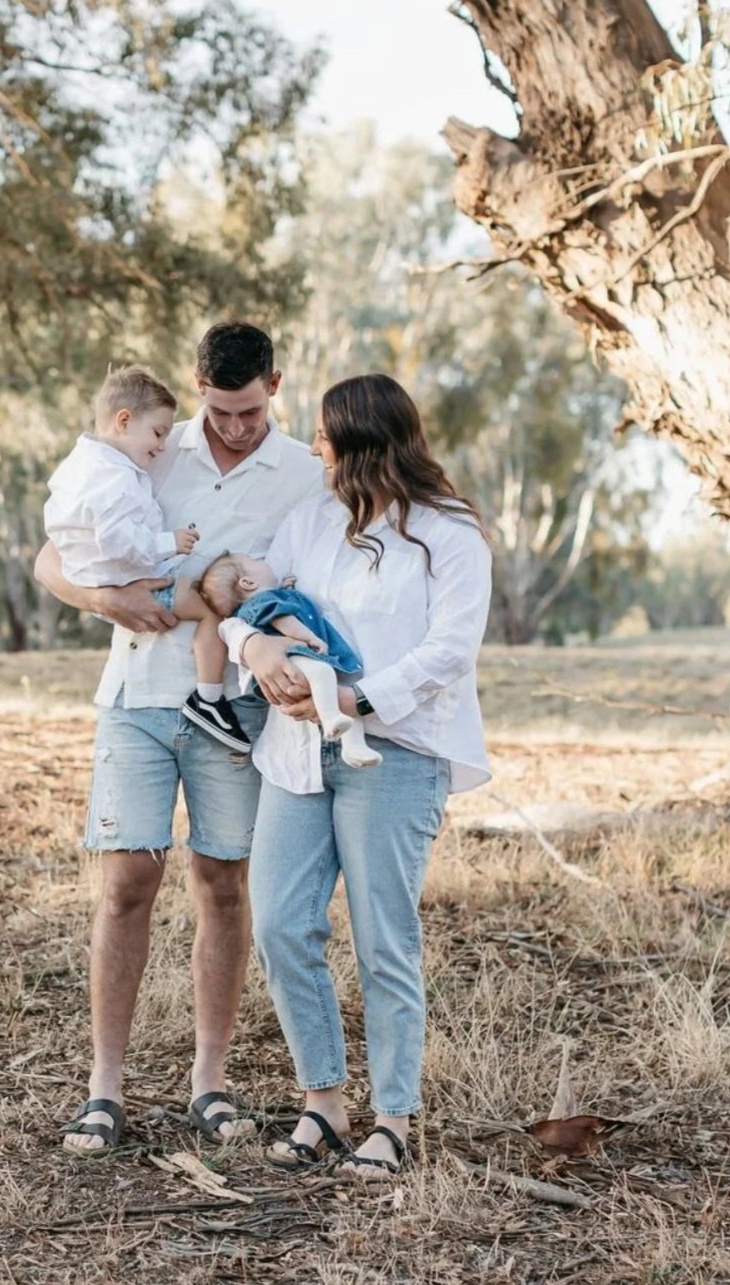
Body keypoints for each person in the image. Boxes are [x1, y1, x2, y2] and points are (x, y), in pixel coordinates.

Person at [33, 322, 322, 1153]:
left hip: (237, 707)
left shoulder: (303, 473)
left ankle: (210, 1080)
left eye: (250, 409)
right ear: (197, 384)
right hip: (136, 694)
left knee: (222, 882)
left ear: (275, 382)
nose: (233, 427)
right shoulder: (147, 443)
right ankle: (104, 1087)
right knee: (127, 880)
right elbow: (53, 557)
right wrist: (104, 601)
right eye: (219, 409)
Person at [219, 373, 492, 1180]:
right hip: (295, 756)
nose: (314, 448)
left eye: (326, 437)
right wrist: (252, 648)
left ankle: (393, 1117)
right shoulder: (310, 520)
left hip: (396, 751)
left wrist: (353, 695)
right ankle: (323, 1102)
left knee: (383, 937)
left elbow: (450, 649)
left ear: (366, 441)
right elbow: (247, 598)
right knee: (279, 924)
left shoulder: (448, 534)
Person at [44, 364, 251, 753]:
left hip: (108, 580)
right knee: (215, 604)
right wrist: (168, 543)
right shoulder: (115, 478)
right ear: (123, 421)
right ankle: (209, 699)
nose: (161, 446)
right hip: (130, 586)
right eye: (158, 433)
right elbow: (117, 542)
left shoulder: (83, 464)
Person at [195, 551, 381, 768]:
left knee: (344, 699)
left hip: (292, 662)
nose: (263, 561)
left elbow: (290, 606)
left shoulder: (271, 598)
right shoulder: (263, 601)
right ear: (247, 582)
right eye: (255, 561)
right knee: (323, 674)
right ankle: (330, 718)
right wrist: (311, 639)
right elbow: (285, 621)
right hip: (293, 657)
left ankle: (352, 748)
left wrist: (288, 588)